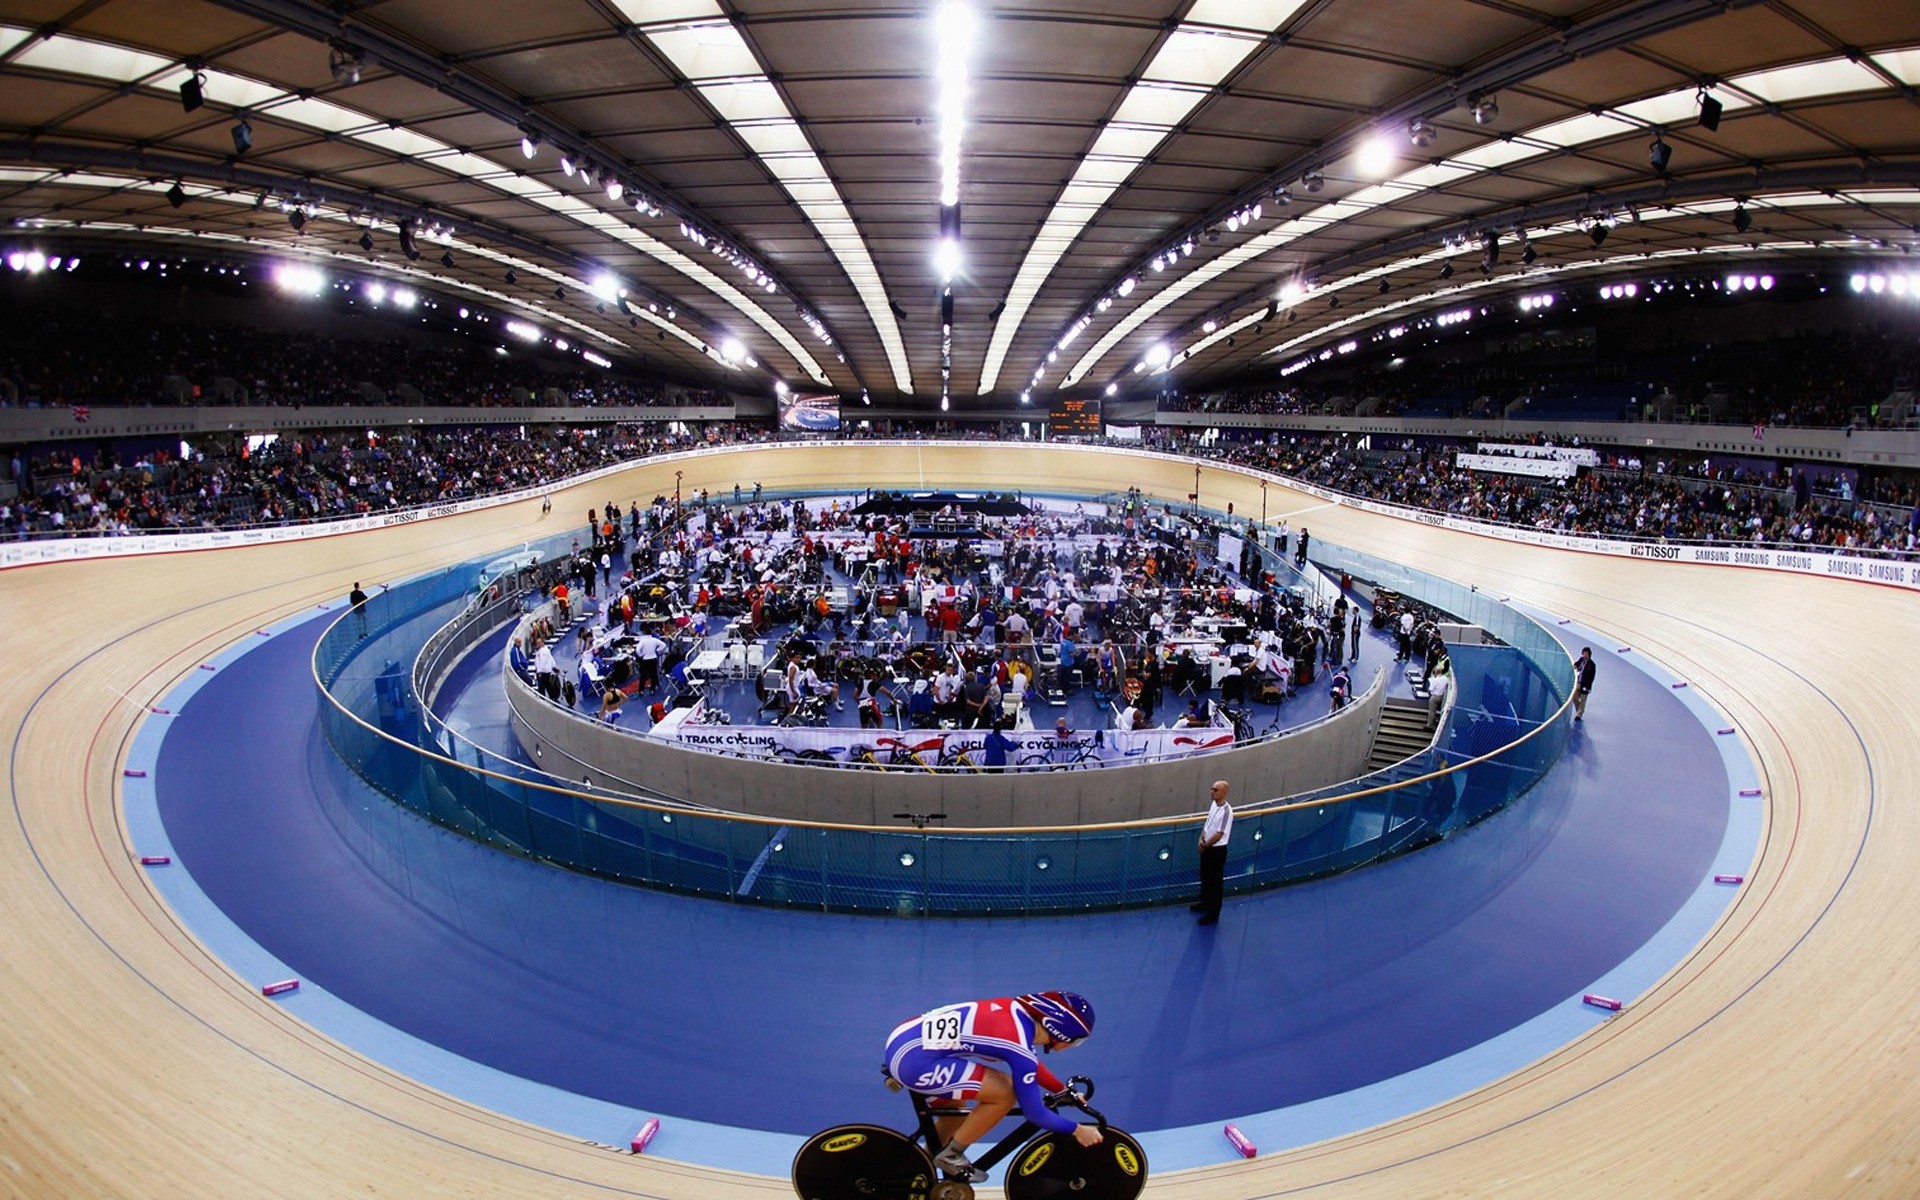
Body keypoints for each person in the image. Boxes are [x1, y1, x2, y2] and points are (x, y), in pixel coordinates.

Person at [884, 991, 1102, 1182]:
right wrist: (1078, 1130)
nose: (1073, 1046)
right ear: (1060, 1031)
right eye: (1076, 1041)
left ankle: (915, 1169)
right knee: (1006, 1094)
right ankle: (952, 1155)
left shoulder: (1017, 1013)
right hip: (914, 1061)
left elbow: (1031, 1063)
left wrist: (1061, 1090)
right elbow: (1035, 1113)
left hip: (905, 1039)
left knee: (954, 1115)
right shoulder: (1017, 1044)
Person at [1191, 779, 1233, 925]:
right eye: (1212, 789)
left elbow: (1219, 834)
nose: (1212, 792)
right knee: (1205, 877)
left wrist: (1205, 845)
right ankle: (1205, 903)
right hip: (1208, 848)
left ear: (1223, 792)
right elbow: (1208, 824)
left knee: (1215, 882)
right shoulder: (1213, 806)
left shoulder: (1226, 811)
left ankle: (1213, 913)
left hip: (1216, 851)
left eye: (1215, 790)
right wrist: (1201, 838)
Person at [1572, 646, 1596, 721]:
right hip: (1579, 683)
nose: (1585, 655)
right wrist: (1575, 665)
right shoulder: (1581, 660)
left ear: (1589, 654)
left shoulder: (1592, 665)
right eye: (1584, 653)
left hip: (1585, 685)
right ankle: (1579, 710)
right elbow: (1577, 663)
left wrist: (1588, 687)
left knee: (1583, 700)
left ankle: (1579, 714)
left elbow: (1592, 677)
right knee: (1574, 697)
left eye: (1586, 653)